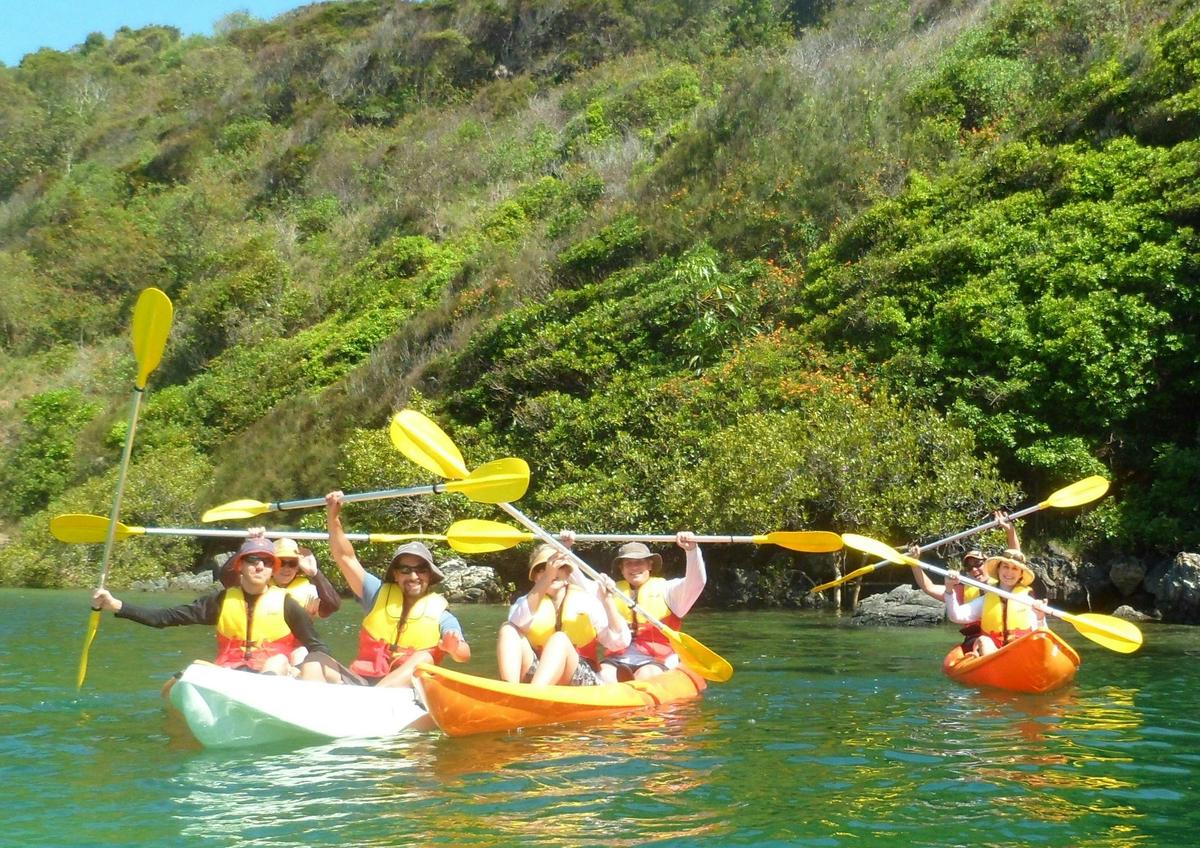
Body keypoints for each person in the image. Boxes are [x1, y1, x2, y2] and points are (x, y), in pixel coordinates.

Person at [91, 538, 332, 680]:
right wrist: (116, 605)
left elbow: (317, 646)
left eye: (267, 562)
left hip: (275, 675)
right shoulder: (220, 602)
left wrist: (303, 670)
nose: (259, 566)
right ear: (240, 566)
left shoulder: (287, 603)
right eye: (252, 560)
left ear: (272, 570)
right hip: (231, 675)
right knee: (189, 672)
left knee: (279, 660)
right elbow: (165, 617)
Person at [325, 490, 470, 687]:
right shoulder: (375, 594)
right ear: (395, 574)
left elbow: (464, 654)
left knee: (424, 659)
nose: (413, 576)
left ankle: (374, 700)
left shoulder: (443, 616)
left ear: (429, 575)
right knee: (316, 659)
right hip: (363, 682)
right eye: (405, 570)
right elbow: (345, 558)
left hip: (406, 692)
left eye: (420, 570)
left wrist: (453, 649)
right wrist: (333, 517)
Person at [497, 543, 630, 686]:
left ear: (567, 573)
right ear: (535, 577)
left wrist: (607, 601)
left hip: (579, 675)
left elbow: (618, 643)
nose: (553, 573)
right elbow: (518, 622)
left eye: (559, 568)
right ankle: (509, 691)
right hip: (538, 672)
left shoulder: (586, 600)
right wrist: (548, 576)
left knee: (559, 639)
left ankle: (534, 695)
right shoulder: (525, 602)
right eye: (543, 569)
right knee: (508, 629)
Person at [598, 534, 706, 683]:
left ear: (649, 565)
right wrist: (566, 547)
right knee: (603, 675)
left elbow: (696, 583)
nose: (634, 567)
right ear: (621, 568)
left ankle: (634, 691)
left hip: (656, 659)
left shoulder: (668, 590)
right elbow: (577, 580)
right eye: (628, 563)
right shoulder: (608, 591)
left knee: (646, 675)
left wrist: (692, 551)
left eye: (639, 562)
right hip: (617, 658)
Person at [908, 511, 1020, 648]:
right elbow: (929, 587)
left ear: (988, 563)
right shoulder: (962, 590)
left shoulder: (1002, 581)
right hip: (977, 639)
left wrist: (1010, 530)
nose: (974, 569)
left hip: (1005, 635)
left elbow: (1015, 560)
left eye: (978, 563)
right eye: (969, 567)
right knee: (983, 643)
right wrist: (915, 563)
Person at [943, 550, 1049, 657]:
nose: (1009, 572)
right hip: (993, 653)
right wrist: (949, 588)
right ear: (999, 569)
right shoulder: (986, 599)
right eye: (1005, 567)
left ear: (1021, 574)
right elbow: (955, 616)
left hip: (1021, 651)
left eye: (1015, 568)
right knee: (984, 640)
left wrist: (1040, 618)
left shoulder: (1028, 600)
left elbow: (1041, 637)